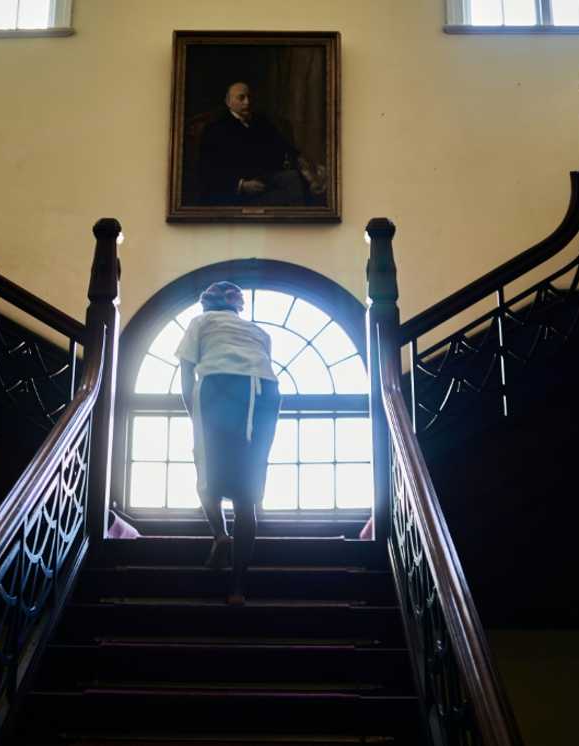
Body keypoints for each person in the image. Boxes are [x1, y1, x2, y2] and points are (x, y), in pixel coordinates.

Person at [175, 281, 281, 604]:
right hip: (265, 391)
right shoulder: (259, 333)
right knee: (247, 495)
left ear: (207, 304)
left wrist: (195, 415)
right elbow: (262, 367)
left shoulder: (200, 322)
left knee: (206, 473)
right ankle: (237, 587)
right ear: (238, 307)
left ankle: (221, 535)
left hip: (220, 385)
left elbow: (186, 374)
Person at [198, 81, 327, 206]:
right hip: (235, 191)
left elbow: (282, 144)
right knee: (291, 193)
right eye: (241, 98)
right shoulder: (216, 129)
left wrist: (303, 163)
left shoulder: (260, 121)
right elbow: (208, 170)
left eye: (249, 97)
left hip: (265, 179)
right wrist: (242, 185)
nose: (247, 102)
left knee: (294, 178)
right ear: (228, 102)